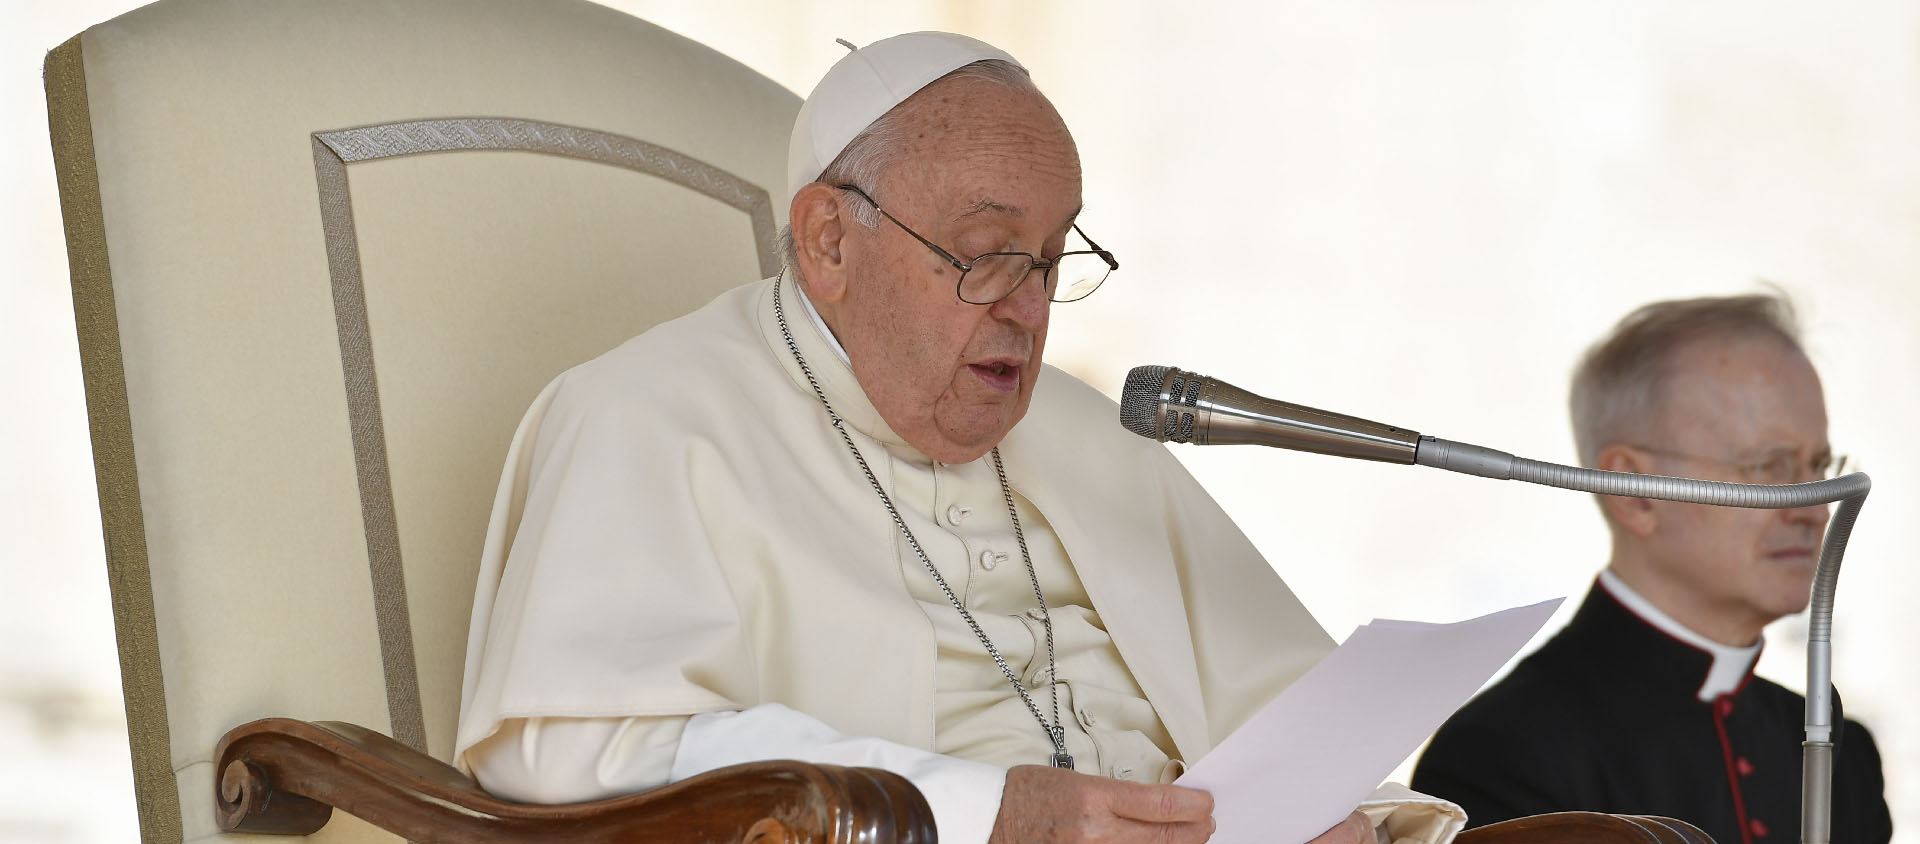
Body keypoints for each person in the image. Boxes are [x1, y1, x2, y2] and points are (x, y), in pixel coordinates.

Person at [453, 31, 1468, 844]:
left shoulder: (1080, 425)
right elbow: (575, 753)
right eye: (985, 255)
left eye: (1055, 254)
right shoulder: (647, 416)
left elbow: (1284, 713)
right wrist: (980, 814)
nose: (1028, 306)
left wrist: (1347, 817)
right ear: (830, 241)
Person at [1411, 293, 1893, 844]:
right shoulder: (1502, 751)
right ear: (1634, 493)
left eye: (1817, 466)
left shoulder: (1840, 752)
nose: (1815, 508)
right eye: (1771, 467)